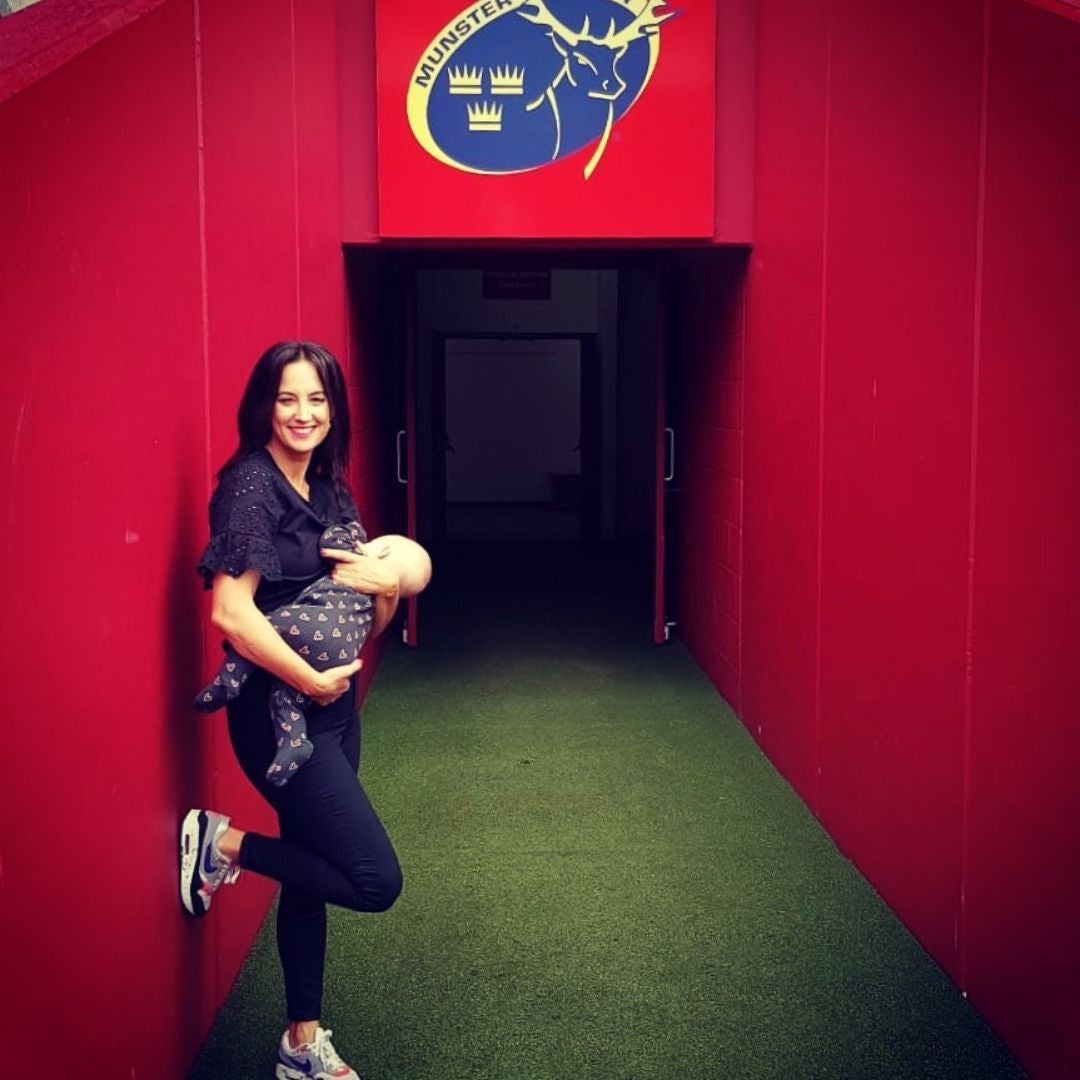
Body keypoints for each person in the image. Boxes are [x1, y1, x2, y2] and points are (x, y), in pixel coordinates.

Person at [180, 341, 407, 1080]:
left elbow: (369, 623)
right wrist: (310, 681)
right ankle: (224, 846)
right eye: (287, 398)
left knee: (313, 871)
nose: (303, 413)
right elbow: (229, 613)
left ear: (333, 408)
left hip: (335, 714)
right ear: (264, 405)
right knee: (374, 881)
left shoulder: (331, 489)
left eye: (316, 399)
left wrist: (389, 591)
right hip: (281, 718)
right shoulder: (251, 486)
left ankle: (300, 1043)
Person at [194, 527, 431, 787]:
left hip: (312, 627)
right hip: (339, 656)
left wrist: (351, 533)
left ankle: (228, 680)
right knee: (286, 696)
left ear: (382, 550)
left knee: (262, 629)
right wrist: (390, 590)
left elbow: (331, 541)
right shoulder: (371, 602)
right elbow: (374, 631)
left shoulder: (357, 554)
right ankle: (294, 741)